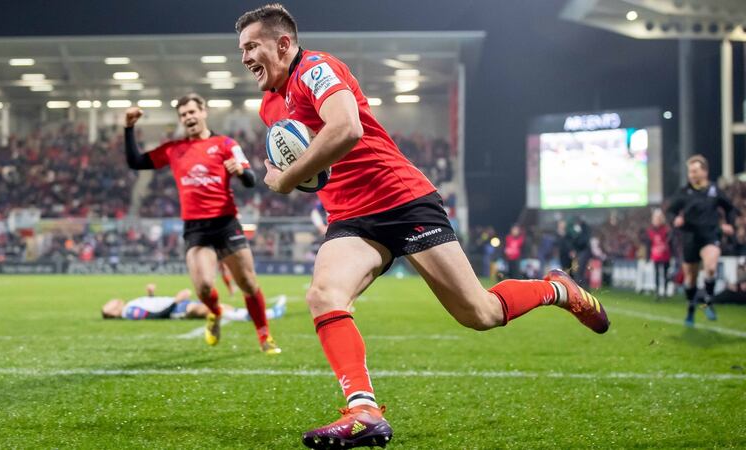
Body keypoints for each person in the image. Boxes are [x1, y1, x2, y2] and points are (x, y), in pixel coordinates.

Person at [235, 5, 610, 448]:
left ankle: (558, 290)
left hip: (401, 200)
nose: (244, 58)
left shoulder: (316, 68)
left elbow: (347, 128)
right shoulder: (268, 106)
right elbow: (319, 161)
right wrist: (299, 174)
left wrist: (288, 177)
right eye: (241, 49)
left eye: (251, 46)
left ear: (283, 44)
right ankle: (364, 411)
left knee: (480, 314)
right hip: (351, 217)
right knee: (323, 295)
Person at [123, 93, 280, 354]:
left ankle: (265, 337)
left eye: (192, 112)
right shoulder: (174, 149)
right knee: (204, 287)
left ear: (203, 112)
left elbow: (252, 179)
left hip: (226, 223)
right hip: (195, 229)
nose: (188, 118)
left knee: (249, 285)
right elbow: (135, 162)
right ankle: (215, 313)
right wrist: (129, 127)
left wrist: (241, 172)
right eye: (183, 115)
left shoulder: (226, 143)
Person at [667, 154, 737, 326]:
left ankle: (708, 302)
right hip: (690, 236)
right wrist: (675, 219)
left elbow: (730, 209)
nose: (692, 174)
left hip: (710, 235)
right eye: (690, 172)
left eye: (695, 171)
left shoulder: (714, 190)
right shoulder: (684, 192)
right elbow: (670, 211)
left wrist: (729, 224)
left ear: (704, 171)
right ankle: (691, 308)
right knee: (690, 278)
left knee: (711, 267)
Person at [101, 283, 287, 321]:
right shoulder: (128, 312)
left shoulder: (129, 307)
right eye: (107, 306)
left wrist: (150, 295)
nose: (110, 302)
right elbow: (156, 316)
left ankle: (259, 315)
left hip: (179, 306)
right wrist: (176, 300)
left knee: (221, 307)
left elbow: (151, 307)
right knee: (210, 309)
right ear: (111, 313)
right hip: (178, 310)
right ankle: (268, 315)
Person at [646, 209, 671, 299]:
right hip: (656, 255)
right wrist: (648, 257)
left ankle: (664, 291)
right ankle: (657, 291)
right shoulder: (650, 230)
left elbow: (670, 242)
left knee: (665, 274)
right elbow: (649, 244)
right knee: (656, 273)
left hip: (665, 255)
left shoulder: (666, 230)